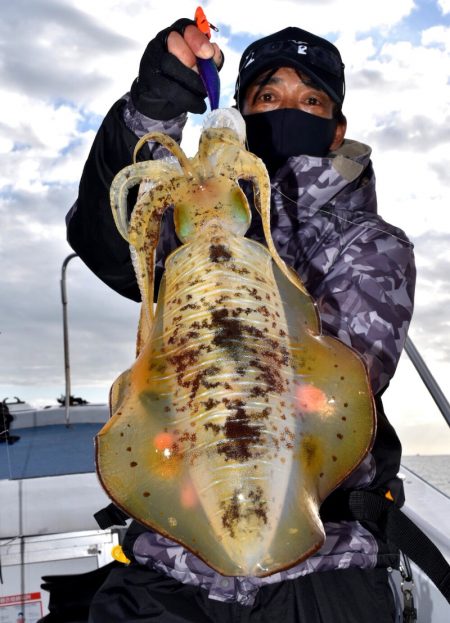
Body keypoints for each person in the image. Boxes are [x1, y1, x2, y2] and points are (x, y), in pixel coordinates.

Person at [66, 18, 416, 623]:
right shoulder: (180, 219)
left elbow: (350, 379)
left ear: (337, 130)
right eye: (268, 97)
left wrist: (238, 243)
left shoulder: (369, 242)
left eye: (310, 100)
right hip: (168, 566)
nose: (289, 109)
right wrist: (158, 103)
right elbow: (108, 239)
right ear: (241, 116)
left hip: (322, 567)